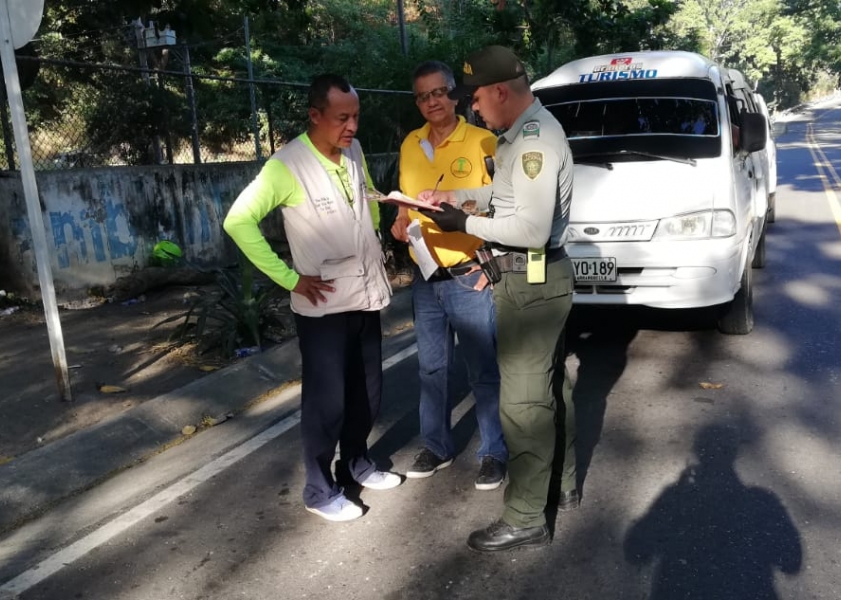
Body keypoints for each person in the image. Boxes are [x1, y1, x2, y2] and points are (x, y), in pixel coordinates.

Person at [418, 46, 577, 552]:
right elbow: (509, 198)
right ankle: (562, 485)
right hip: (533, 280)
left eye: (475, 97)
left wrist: (462, 223)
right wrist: (461, 199)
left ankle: (527, 516)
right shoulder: (522, 136)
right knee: (549, 387)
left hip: (531, 280)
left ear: (500, 91)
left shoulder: (535, 141)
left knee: (524, 404)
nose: (472, 108)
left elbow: (529, 228)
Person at [223, 73, 402, 523]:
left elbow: (366, 200)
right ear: (315, 116)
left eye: (356, 116)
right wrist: (288, 278)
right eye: (342, 118)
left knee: (368, 394)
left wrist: (380, 229)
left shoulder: (354, 153)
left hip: (364, 295)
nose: (352, 127)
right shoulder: (287, 165)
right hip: (322, 308)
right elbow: (238, 221)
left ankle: (357, 465)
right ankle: (319, 490)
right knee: (329, 403)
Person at [390, 61, 507, 490]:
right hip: (426, 274)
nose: (432, 101)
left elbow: (502, 203)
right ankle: (437, 445)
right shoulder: (410, 144)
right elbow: (405, 202)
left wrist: (489, 260)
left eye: (439, 92)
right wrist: (400, 221)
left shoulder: (482, 141)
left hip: (470, 272)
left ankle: (494, 451)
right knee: (431, 369)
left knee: (483, 370)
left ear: (455, 94)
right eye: (423, 95)